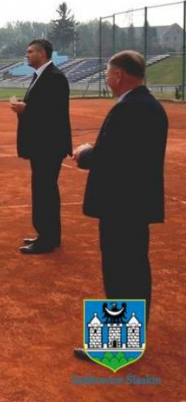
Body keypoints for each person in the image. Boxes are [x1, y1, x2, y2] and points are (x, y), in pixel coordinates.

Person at [71, 51, 167, 362]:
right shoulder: (150, 106)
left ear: (119, 76)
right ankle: (130, 338)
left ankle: (117, 344)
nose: (106, 78)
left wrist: (86, 153)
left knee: (120, 270)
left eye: (109, 73)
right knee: (135, 268)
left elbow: (112, 158)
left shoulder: (129, 109)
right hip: (136, 203)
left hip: (121, 204)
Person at [9, 39, 72, 254]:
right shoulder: (42, 76)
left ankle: (46, 239)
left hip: (48, 146)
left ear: (42, 53)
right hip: (43, 146)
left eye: (30, 51)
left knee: (44, 191)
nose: (26, 55)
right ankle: (49, 235)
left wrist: (26, 109)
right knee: (45, 190)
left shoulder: (54, 77)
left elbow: (54, 113)